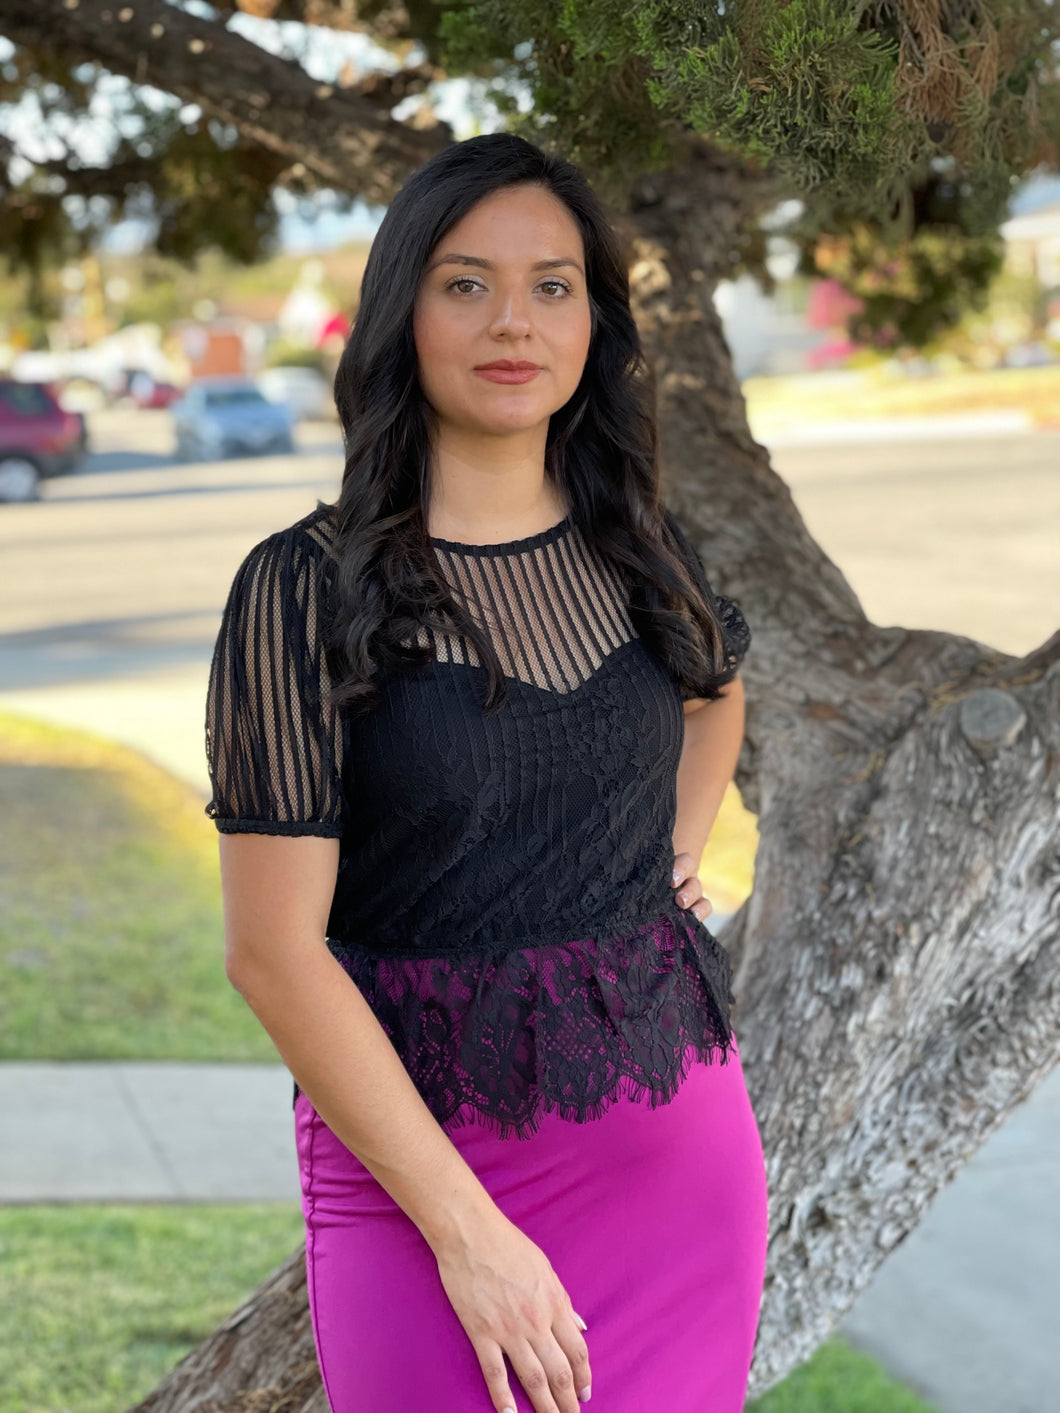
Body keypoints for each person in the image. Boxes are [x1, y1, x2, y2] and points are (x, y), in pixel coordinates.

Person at [204, 131, 768, 1413]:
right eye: (466, 283)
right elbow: (272, 954)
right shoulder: (305, 589)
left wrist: (664, 864)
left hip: (678, 1153)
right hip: (424, 1181)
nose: (513, 320)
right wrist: (470, 1239)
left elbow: (717, 692)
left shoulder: (639, 547)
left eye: (553, 284)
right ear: (403, 312)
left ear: (593, 324)